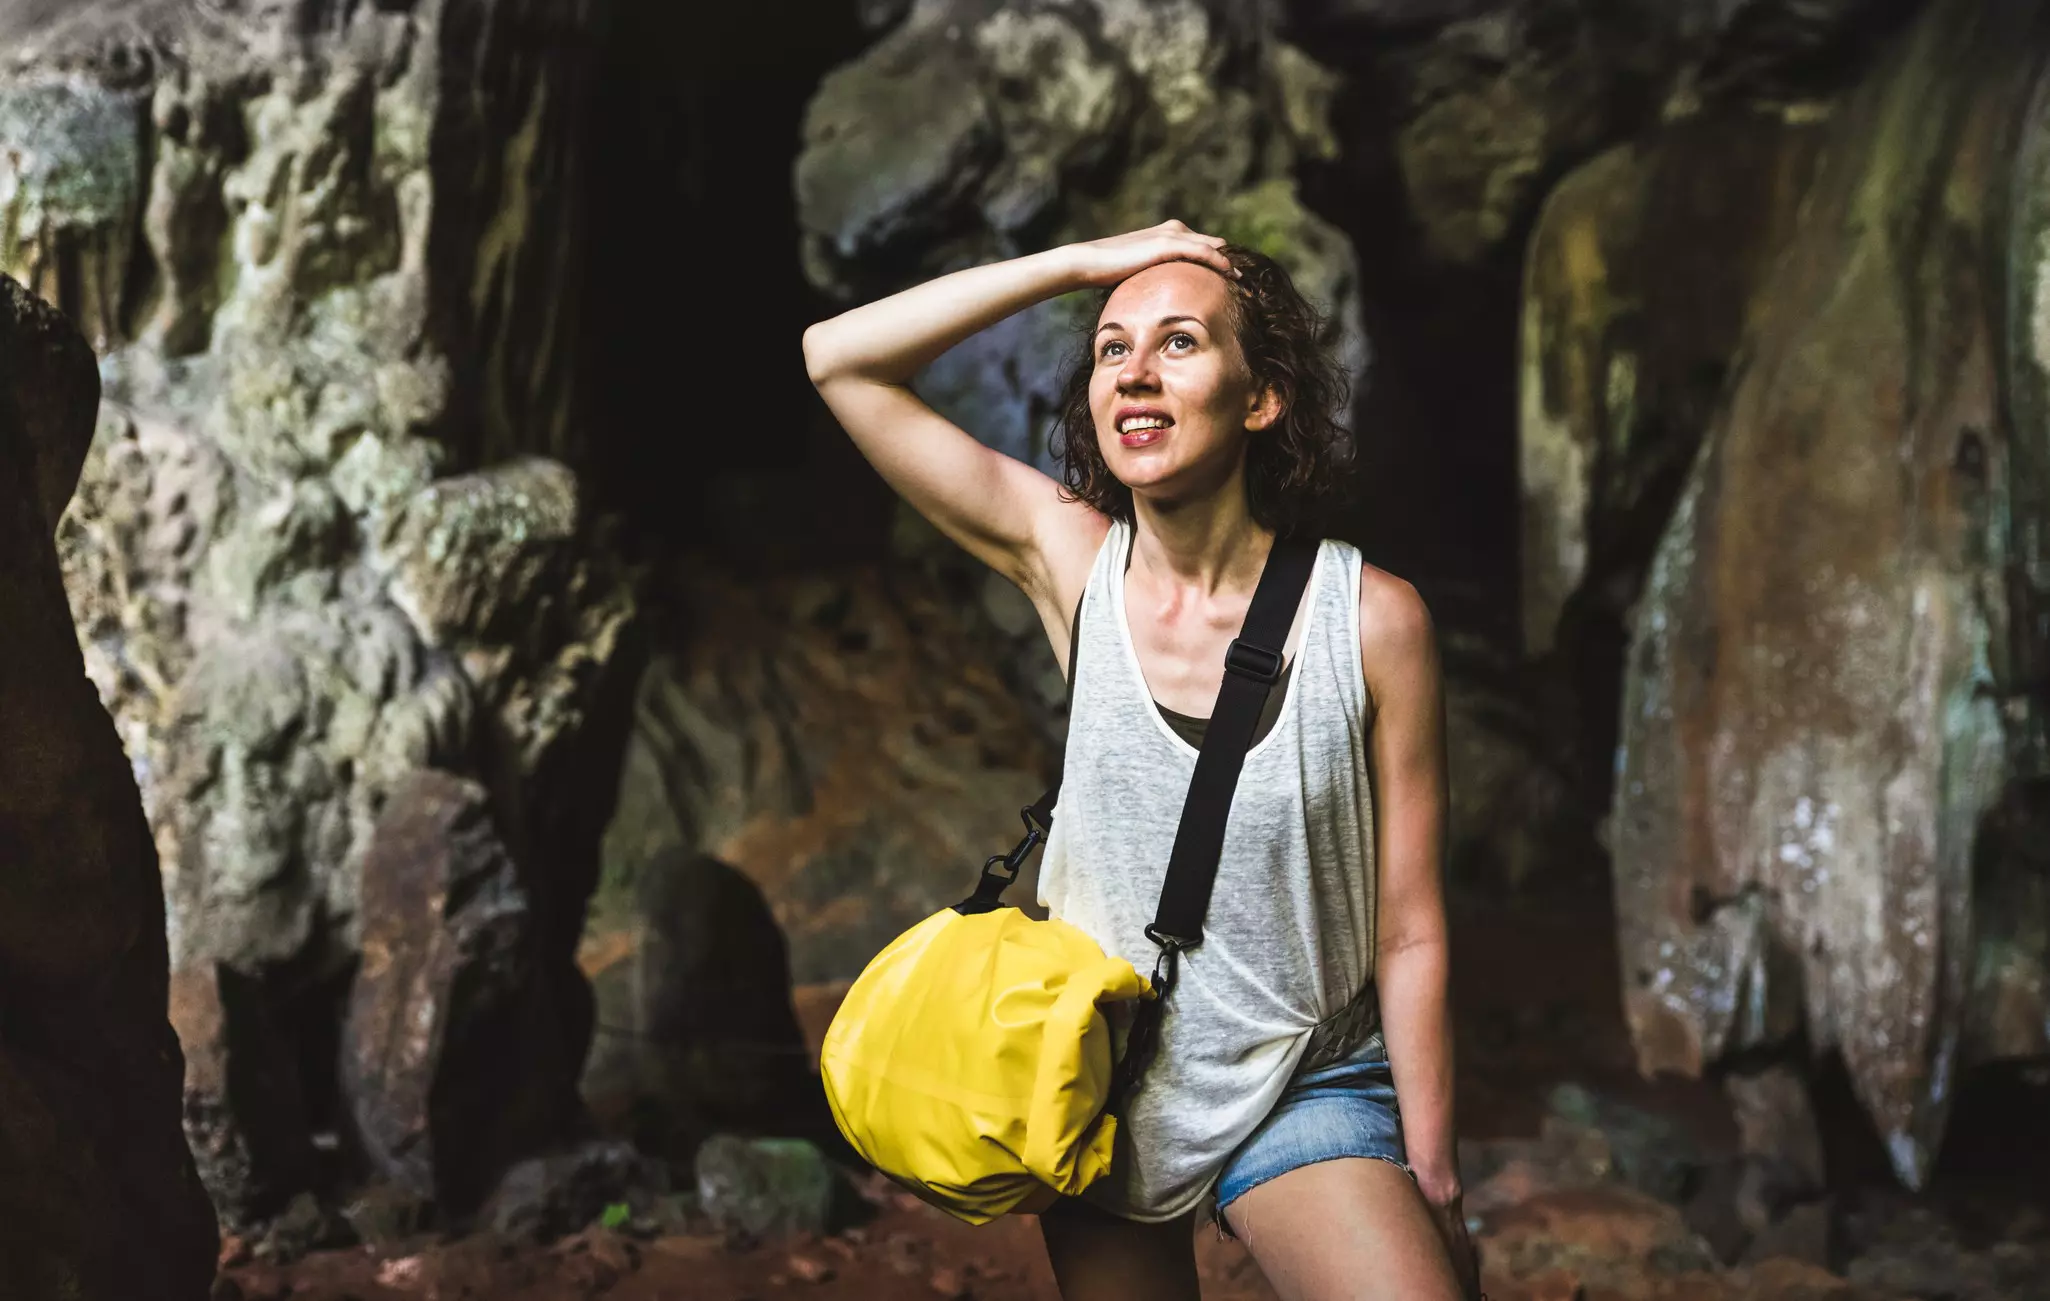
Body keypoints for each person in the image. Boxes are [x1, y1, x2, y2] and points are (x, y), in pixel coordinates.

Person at [802, 219, 1479, 1301]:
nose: (1135, 371)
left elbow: (1408, 927)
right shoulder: (1071, 561)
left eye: (1179, 342)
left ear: (1261, 397)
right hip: (1106, 1082)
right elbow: (839, 358)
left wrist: (1434, 1169)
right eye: (1113, 348)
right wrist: (1079, 265)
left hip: (1302, 1074)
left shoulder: (1371, 622)